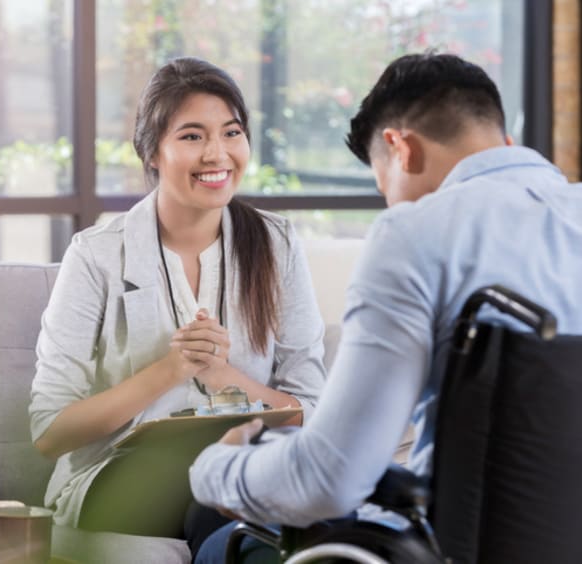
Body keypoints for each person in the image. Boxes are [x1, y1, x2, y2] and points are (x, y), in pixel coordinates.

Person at [189, 51, 582, 563]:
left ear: (401, 149)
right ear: (503, 141)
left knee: (223, 546)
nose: (392, 205)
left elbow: (328, 479)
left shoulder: (418, 234)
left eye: (385, 188)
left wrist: (214, 469)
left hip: (443, 549)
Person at [28, 56, 327, 549]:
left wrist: (228, 379)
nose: (217, 154)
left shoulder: (277, 244)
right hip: (118, 478)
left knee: (246, 479)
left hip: (244, 457)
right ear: (152, 153)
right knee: (223, 479)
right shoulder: (97, 255)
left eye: (231, 133)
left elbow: (308, 410)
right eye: (192, 136)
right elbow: (49, 433)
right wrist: (170, 369)